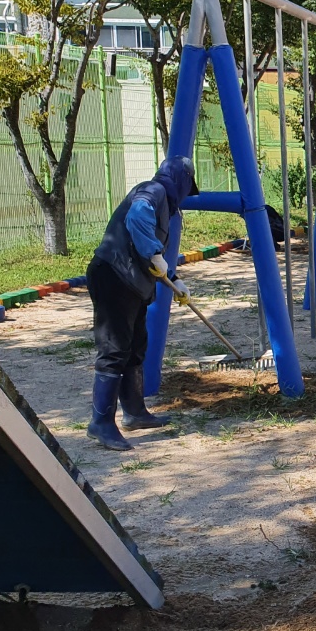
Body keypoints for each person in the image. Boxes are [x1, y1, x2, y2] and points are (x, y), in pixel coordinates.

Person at [86, 155, 198, 451]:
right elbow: (137, 217)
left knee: (135, 347)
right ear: (182, 180)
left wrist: (174, 278)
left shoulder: (164, 202)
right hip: (113, 276)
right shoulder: (153, 190)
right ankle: (100, 423)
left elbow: (152, 256)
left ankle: (135, 413)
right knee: (114, 349)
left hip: (131, 283)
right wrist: (155, 253)